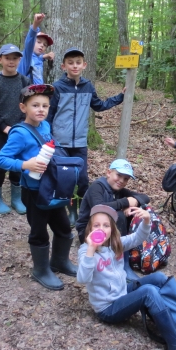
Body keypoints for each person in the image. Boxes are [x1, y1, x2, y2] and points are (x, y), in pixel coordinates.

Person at [78, 204, 176, 350]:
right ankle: (175, 342)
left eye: (106, 225)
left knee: (158, 277)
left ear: (112, 229)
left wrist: (146, 220)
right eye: (96, 225)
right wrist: (91, 249)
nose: (101, 229)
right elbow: (82, 278)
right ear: (90, 229)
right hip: (108, 308)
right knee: (148, 292)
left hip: (123, 292)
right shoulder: (86, 251)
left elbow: (138, 238)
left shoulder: (116, 243)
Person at [0, 84, 76, 291]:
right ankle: (41, 270)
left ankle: (60, 261)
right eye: (35, 105)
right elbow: (1, 159)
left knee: (64, 227)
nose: (41, 109)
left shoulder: (45, 126)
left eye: (45, 106)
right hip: (33, 192)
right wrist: (25, 165)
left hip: (53, 188)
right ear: (23, 108)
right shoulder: (19, 133)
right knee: (39, 231)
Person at [47, 47, 125, 223]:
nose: (75, 66)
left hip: (80, 142)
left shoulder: (87, 86)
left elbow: (99, 105)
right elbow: (49, 115)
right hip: (60, 142)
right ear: (63, 66)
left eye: (78, 62)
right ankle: (70, 211)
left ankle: (82, 210)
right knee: (66, 178)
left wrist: (120, 97)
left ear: (84, 65)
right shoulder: (57, 88)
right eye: (70, 63)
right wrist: (49, 138)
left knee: (82, 179)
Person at [0, 44, 31, 215]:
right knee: (0, 163)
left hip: (19, 130)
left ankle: (16, 198)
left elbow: (28, 105)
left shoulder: (25, 82)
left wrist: (21, 125)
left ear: (20, 60)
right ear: (0, 60)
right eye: (7, 58)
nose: (11, 61)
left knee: (18, 161)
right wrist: (3, 127)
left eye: (15, 58)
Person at [17, 13, 55, 85]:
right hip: (26, 90)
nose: (42, 45)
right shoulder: (26, 57)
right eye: (39, 42)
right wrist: (35, 25)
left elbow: (39, 57)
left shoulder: (39, 58)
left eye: (45, 45)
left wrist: (46, 56)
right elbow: (28, 45)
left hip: (39, 90)